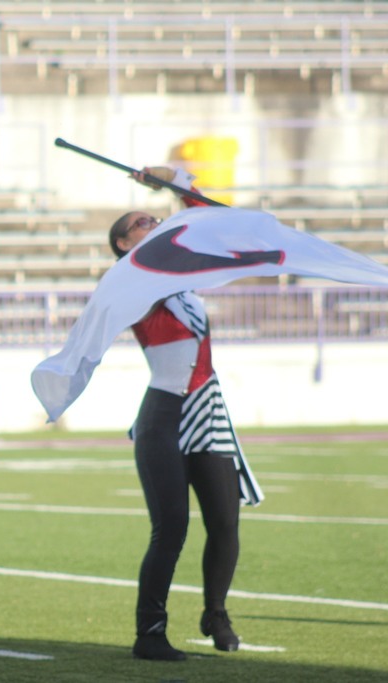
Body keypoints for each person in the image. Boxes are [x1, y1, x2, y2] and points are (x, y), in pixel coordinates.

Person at [109, 165, 259, 661]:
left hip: (206, 407)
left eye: (155, 217)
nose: (154, 223)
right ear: (124, 245)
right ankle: (149, 633)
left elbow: (212, 222)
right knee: (171, 528)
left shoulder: (183, 277)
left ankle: (215, 612)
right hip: (164, 416)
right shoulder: (133, 282)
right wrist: (171, 197)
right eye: (142, 222)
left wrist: (175, 181)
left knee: (225, 522)